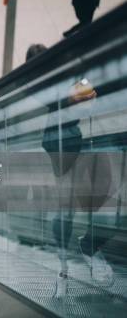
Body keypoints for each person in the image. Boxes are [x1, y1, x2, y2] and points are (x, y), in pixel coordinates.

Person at [25, 45, 116, 298]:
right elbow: (46, 96)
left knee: (100, 198)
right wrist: (71, 97)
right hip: (63, 144)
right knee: (67, 207)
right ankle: (63, 269)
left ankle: (87, 247)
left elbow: (88, 85)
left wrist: (84, 93)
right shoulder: (39, 85)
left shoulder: (69, 71)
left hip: (87, 138)